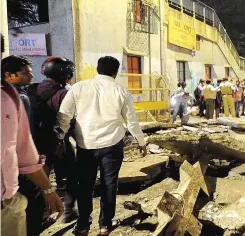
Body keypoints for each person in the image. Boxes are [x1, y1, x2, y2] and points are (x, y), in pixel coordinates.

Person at [57, 56, 148, 235]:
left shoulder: (79, 87)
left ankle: (83, 224)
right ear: (115, 72)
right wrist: (141, 142)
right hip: (112, 146)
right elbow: (131, 121)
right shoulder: (121, 91)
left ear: (97, 69)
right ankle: (105, 225)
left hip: (85, 145)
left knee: (85, 184)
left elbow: (64, 115)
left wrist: (60, 136)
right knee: (109, 184)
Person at [1, 62, 64, 236]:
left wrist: (49, 189)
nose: (31, 76)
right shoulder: (18, 97)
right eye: (26, 73)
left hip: (7, 200)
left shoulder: (11, 96)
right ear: (10, 75)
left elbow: (23, 146)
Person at [24, 57, 79, 232]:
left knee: (38, 183)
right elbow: (69, 121)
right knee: (73, 173)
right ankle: (69, 210)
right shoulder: (64, 94)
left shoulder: (32, 89)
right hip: (55, 143)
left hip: (34, 144)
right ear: (65, 75)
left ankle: (37, 220)